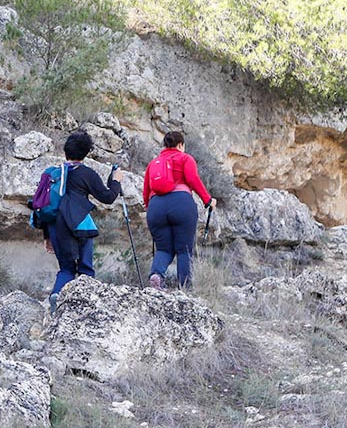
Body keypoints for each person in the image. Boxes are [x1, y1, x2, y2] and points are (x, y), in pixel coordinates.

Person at [42, 130, 125, 306]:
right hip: (79, 225)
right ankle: (84, 307)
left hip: (55, 226)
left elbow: (45, 204)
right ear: (86, 153)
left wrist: (47, 236)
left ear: (66, 151)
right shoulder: (86, 173)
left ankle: (57, 295)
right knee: (86, 268)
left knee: (66, 268)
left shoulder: (54, 174)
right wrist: (116, 180)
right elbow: (108, 197)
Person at [142, 130, 216, 289]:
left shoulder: (153, 164)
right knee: (184, 249)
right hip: (181, 204)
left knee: (164, 248)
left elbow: (146, 193)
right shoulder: (185, 158)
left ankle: (156, 275)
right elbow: (192, 179)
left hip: (156, 208)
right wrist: (207, 200)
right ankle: (184, 288)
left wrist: (152, 212)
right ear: (181, 145)